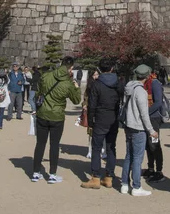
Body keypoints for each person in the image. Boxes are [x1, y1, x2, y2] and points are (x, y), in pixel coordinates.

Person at [32, 56, 81, 184]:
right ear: (71, 68)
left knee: (40, 143)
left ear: (61, 64)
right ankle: (52, 174)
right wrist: (76, 87)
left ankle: (36, 172)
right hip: (57, 116)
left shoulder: (47, 76)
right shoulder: (68, 83)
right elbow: (76, 100)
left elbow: (39, 92)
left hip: (43, 113)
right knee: (54, 145)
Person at [81, 59, 123, 190]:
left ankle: (95, 177)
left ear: (99, 69)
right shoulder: (118, 83)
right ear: (111, 68)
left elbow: (92, 104)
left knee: (97, 147)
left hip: (100, 117)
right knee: (111, 147)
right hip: (113, 116)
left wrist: (91, 120)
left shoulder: (97, 84)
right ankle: (109, 176)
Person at [120, 65, 158, 197]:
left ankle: (124, 184)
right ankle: (136, 186)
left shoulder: (129, 87)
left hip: (128, 124)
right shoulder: (140, 91)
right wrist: (151, 130)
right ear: (147, 76)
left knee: (128, 155)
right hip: (138, 127)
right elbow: (144, 114)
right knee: (137, 158)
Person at [142, 70, 165, 183]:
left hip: (154, 118)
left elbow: (158, 102)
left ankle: (159, 171)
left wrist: (146, 112)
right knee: (147, 144)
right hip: (147, 118)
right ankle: (151, 168)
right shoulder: (145, 83)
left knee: (154, 143)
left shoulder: (154, 83)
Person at [81, 69, 104, 159]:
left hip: (100, 110)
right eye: (94, 75)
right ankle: (89, 150)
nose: (96, 76)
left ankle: (102, 149)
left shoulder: (102, 85)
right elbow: (85, 97)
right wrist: (84, 105)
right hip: (91, 110)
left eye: (97, 74)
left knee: (102, 131)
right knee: (91, 132)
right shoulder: (89, 86)